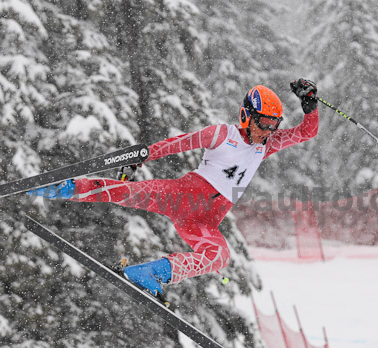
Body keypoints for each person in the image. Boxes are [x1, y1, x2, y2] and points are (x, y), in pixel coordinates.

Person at [28, 79, 319, 297]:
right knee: (126, 193)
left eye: (273, 125)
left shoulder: (265, 146)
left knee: (219, 257)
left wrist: (310, 106)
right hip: (182, 196)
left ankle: (150, 272)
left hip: (203, 222)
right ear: (246, 116)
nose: (267, 132)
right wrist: (139, 158)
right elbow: (176, 144)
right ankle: (63, 187)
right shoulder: (222, 134)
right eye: (262, 124)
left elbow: (308, 132)